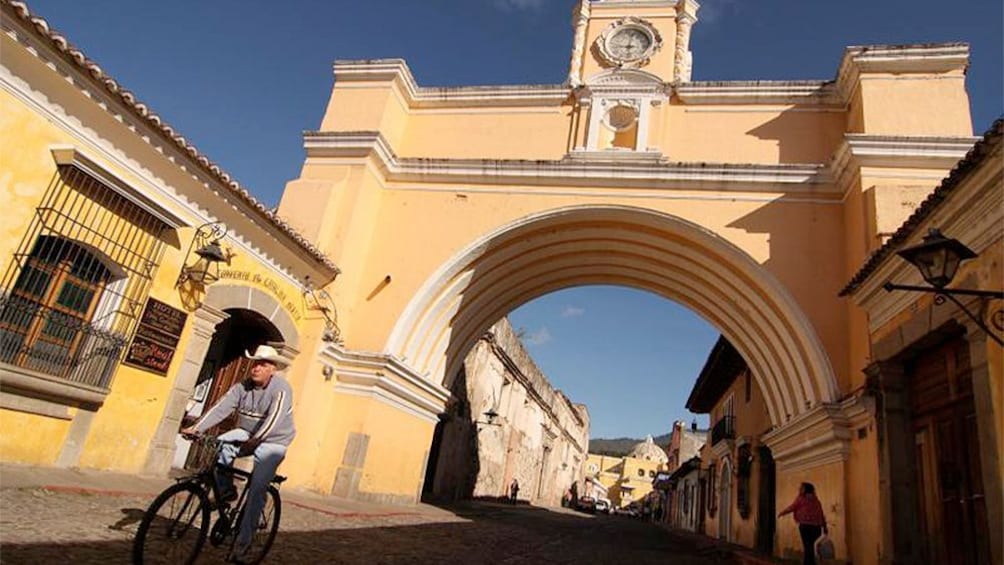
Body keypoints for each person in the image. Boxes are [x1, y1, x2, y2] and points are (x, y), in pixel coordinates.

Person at [181, 345, 296, 563]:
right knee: (221, 444)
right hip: (246, 431)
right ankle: (225, 491)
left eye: (263, 364)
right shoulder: (242, 387)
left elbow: (274, 419)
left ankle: (242, 547)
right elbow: (222, 407)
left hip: (274, 441)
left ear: (273, 369)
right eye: (255, 363)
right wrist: (197, 428)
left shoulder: (282, 389)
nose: (257, 368)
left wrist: (255, 442)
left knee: (256, 490)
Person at [778, 482, 828, 565]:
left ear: (805, 490)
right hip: (816, 527)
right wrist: (824, 526)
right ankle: (810, 563)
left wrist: (782, 513)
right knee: (810, 546)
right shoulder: (816, 500)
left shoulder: (801, 499)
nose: (799, 489)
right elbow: (821, 513)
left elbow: (792, 507)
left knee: (807, 546)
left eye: (801, 488)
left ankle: (808, 563)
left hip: (805, 526)